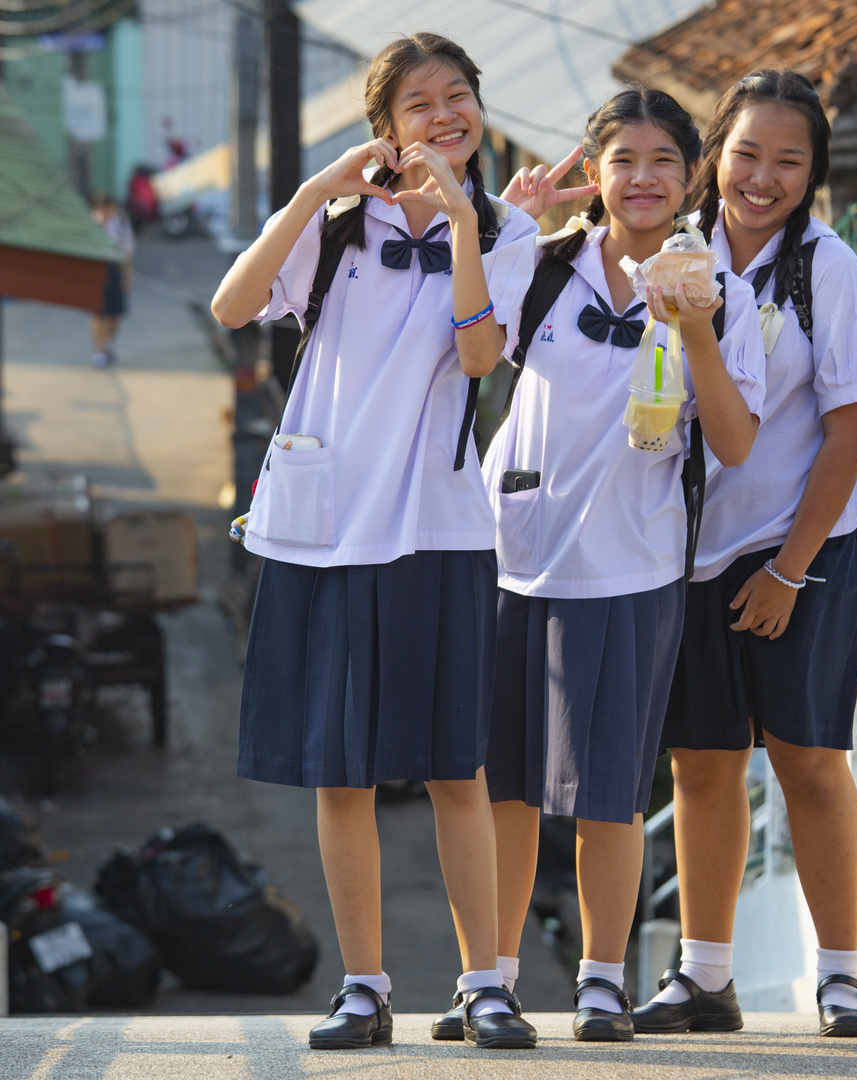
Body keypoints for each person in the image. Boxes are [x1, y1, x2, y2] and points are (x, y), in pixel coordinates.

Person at [210, 33, 541, 1052]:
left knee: (455, 764)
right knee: (339, 770)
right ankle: (364, 986)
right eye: (420, 105)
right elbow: (232, 307)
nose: (445, 117)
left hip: (438, 523)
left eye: (459, 99)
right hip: (322, 526)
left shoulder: (511, 231)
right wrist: (316, 191)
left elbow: (481, 353)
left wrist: (462, 227)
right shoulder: (340, 227)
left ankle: (485, 984)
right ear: (386, 130)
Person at [470, 88, 763, 1043]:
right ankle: (495, 977)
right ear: (592, 173)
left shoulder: (721, 286)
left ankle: (603, 979)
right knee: (504, 785)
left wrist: (696, 329)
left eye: (664, 162)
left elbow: (733, 440)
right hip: (513, 554)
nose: (642, 179)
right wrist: (504, 223)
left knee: (611, 791)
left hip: (632, 568)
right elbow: (465, 352)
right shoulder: (543, 266)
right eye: (623, 159)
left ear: (692, 178)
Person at [636, 68, 857, 1039]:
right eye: (745, 153)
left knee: (809, 760)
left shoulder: (829, 269)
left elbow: (852, 431)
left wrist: (788, 570)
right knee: (701, 765)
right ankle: (705, 977)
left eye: (789, 160)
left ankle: (840, 975)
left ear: (814, 172)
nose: (762, 177)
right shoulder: (674, 255)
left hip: (806, 549)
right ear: (715, 157)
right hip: (690, 551)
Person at [91, 191, 135, 368]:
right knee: (98, 312)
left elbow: (128, 251)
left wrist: (127, 275)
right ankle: (99, 349)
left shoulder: (122, 223)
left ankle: (108, 344)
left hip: (116, 269)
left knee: (116, 312)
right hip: (97, 270)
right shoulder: (92, 222)